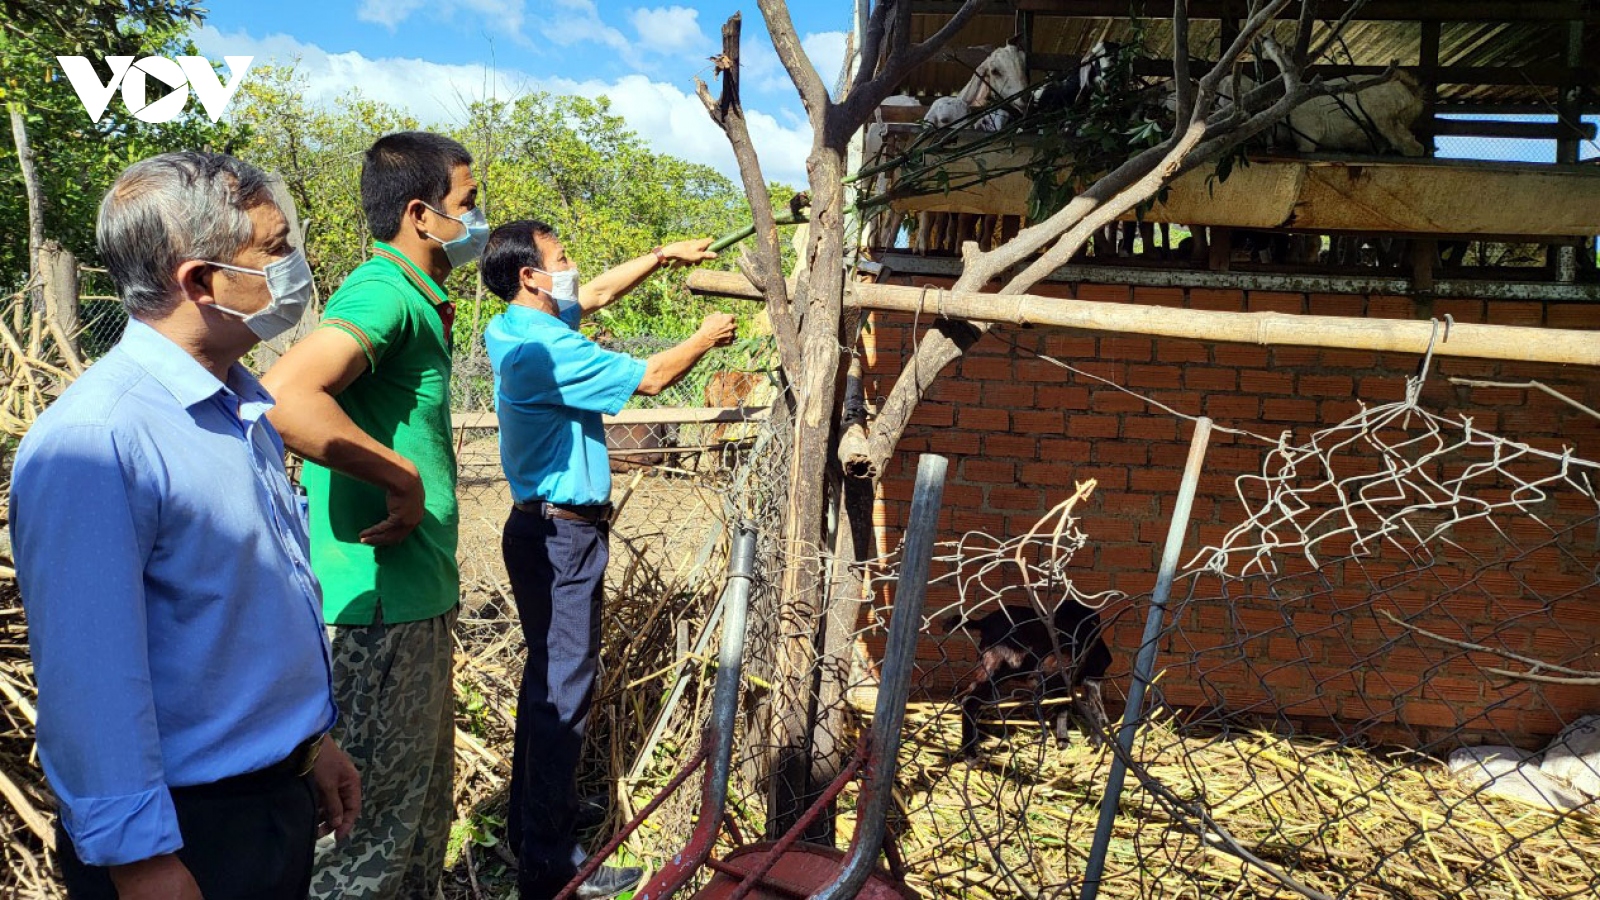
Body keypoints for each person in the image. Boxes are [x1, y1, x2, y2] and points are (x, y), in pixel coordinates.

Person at [9, 150, 361, 899]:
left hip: (267, 802)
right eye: (274, 250)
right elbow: (88, 679)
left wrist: (308, 746)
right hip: (186, 838)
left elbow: (242, 618)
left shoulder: (239, 407)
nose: (294, 268)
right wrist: (141, 862)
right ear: (200, 281)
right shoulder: (97, 441)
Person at [480, 220, 736, 900]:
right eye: (560, 258)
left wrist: (661, 256)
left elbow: (593, 294)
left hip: (538, 530)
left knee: (547, 684)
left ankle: (534, 822)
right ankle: (551, 866)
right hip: (563, 538)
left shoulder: (512, 325)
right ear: (530, 276)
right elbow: (651, 378)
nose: (572, 267)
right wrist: (705, 338)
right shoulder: (547, 351)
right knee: (565, 693)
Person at [262, 131, 480, 899]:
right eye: (468, 204)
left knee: (417, 819)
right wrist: (399, 475)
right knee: (366, 843)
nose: (477, 220)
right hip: (377, 610)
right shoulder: (382, 292)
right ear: (421, 215)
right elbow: (285, 398)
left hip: (413, 602)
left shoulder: (419, 300)